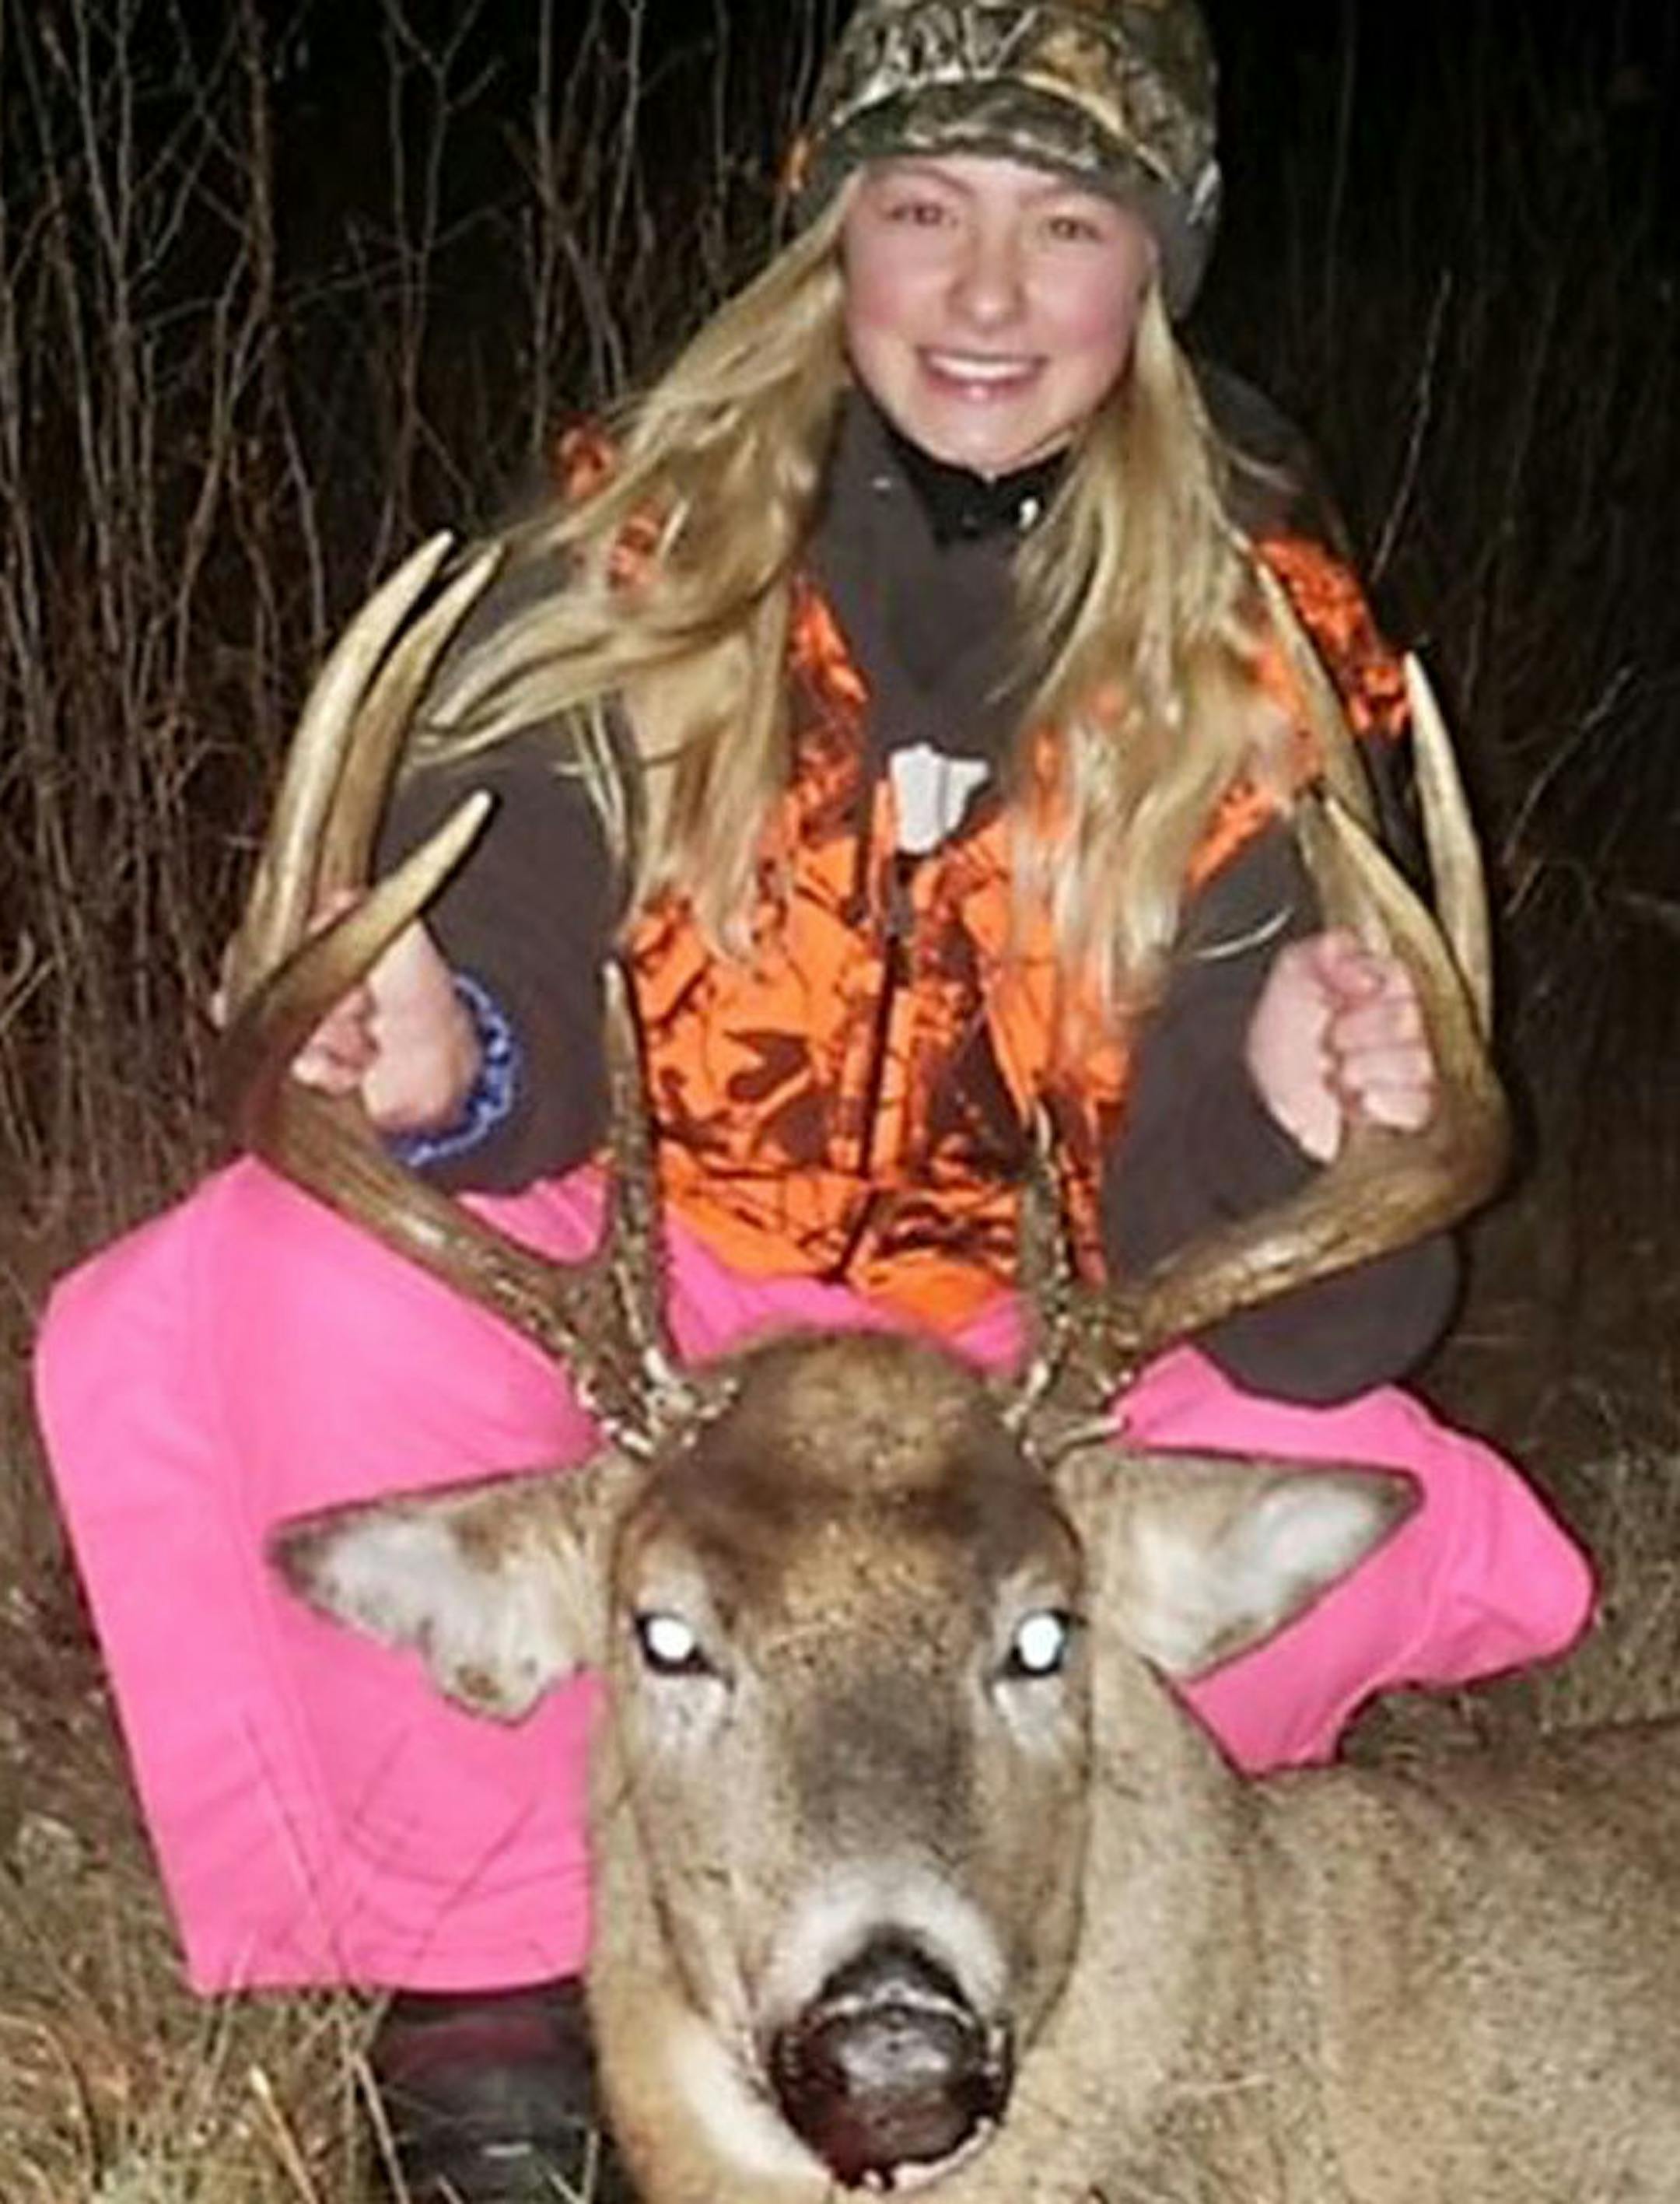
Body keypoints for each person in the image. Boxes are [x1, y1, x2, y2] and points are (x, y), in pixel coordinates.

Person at [34, 2, 1593, 2197]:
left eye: (1064, 226)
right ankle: (494, 1989)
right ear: (825, 233)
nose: (982, 293)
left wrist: (1294, 1104)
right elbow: (517, 886)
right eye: (921, 208)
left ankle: (1003, 1943)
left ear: (1155, 270)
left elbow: (1315, 1319)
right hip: (674, 1334)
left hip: (1013, 1374)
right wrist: (445, 1045)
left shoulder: (1258, 622)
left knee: (1332, 1468)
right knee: (288, 1282)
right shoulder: (636, 538)